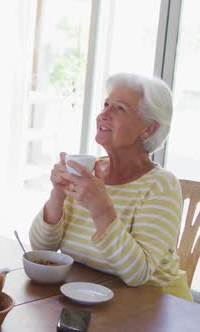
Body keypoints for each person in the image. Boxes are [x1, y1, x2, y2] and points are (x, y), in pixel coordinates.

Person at [29, 73, 193, 301]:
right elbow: (40, 247)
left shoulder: (161, 186)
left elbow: (137, 274)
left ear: (149, 129)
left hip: (151, 309)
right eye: (106, 104)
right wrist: (57, 194)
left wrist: (101, 209)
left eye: (119, 109)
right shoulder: (88, 171)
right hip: (85, 297)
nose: (103, 115)